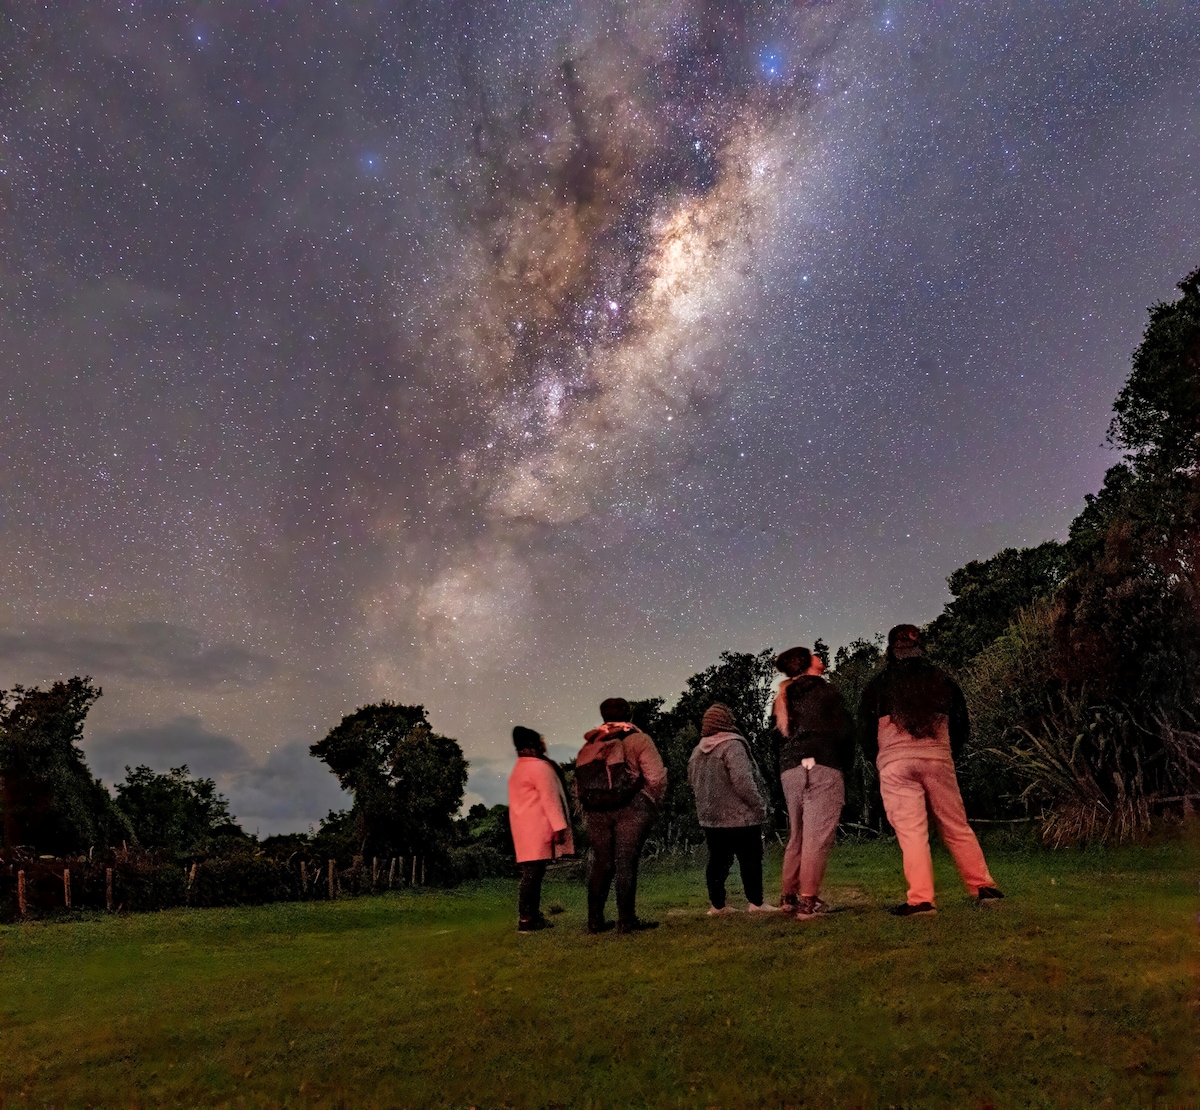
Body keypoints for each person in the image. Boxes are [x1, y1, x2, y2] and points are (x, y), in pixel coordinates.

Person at [858, 624, 1004, 916]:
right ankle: (983, 886)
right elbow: (962, 725)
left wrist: (881, 759)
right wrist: (948, 753)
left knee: (912, 832)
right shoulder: (943, 680)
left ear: (891, 649)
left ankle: (922, 900)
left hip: (895, 762)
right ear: (920, 647)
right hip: (937, 759)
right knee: (956, 824)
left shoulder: (877, 685)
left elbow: (865, 732)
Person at [771, 646, 854, 919]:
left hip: (791, 769)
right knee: (817, 837)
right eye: (815, 655)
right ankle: (809, 901)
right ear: (807, 664)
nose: (820, 657)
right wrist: (844, 766)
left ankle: (788, 896)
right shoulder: (826, 692)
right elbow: (844, 732)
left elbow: (775, 739)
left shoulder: (783, 696)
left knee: (798, 833)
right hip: (823, 763)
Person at [575, 697, 667, 934]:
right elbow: (655, 778)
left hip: (596, 811)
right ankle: (626, 920)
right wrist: (651, 801)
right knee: (625, 861)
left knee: (602, 863)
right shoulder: (640, 739)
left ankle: (595, 921)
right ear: (630, 715)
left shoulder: (591, 744)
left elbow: (580, 785)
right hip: (633, 807)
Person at [688, 702, 778, 915]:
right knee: (750, 859)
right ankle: (756, 903)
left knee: (718, 862)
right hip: (741, 816)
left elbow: (693, 782)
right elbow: (743, 781)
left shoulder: (697, 751)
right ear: (726, 721)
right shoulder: (732, 745)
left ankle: (717, 906)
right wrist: (759, 805)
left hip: (711, 818)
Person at [507, 725, 574, 932]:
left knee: (532, 872)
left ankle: (531, 915)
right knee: (533, 874)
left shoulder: (519, 768)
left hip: (524, 829)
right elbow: (550, 799)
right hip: (537, 828)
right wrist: (559, 826)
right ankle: (528, 917)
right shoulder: (539, 768)